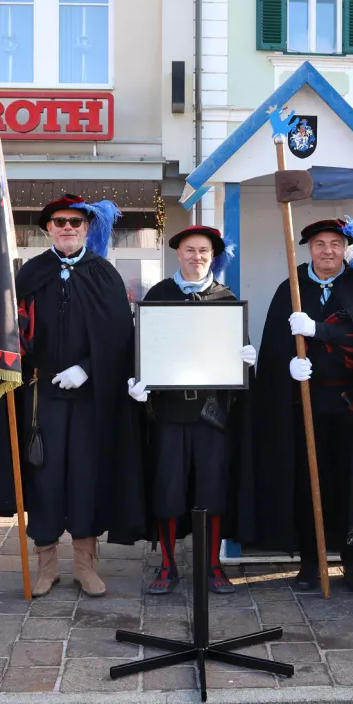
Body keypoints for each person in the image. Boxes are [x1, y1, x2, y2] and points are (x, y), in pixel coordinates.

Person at [0, 194, 144, 597]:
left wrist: (88, 369)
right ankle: (46, 566)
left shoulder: (104, 274)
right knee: (44, 475)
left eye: (76, 222)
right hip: (42, 396)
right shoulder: (29, 274)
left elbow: (118, 337)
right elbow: (9, 332)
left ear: (87, 228)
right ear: (48, 228)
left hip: (92, 397)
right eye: (60, 222)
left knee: (85, 475)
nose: (68, 228)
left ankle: (84, 564)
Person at [242, 217, 353, 593]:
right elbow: (275, 343)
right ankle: (310, 562)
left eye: (334, 244)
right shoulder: (291, 287)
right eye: (319, 244)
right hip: (304, 403)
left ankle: (352, 561)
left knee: (351, 482)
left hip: (351, 406)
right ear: (308, 248)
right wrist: (287, 366)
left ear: (345, 248)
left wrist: (319, 330)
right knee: (308, 482)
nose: (327, 251)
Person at [127, 225, 255, 595]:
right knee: (168, 490)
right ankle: (168, 566)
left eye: (203, 251)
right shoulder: (159, 294)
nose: (196, 257)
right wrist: (136, 380)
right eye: (189, 250)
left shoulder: (226, 299)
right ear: (178, 254)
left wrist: (247, 361)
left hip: (212, 416)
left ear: (212, 256)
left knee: (212, 490)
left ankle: (212, 565)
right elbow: (140, 348)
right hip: (168, 414)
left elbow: (239, 360)